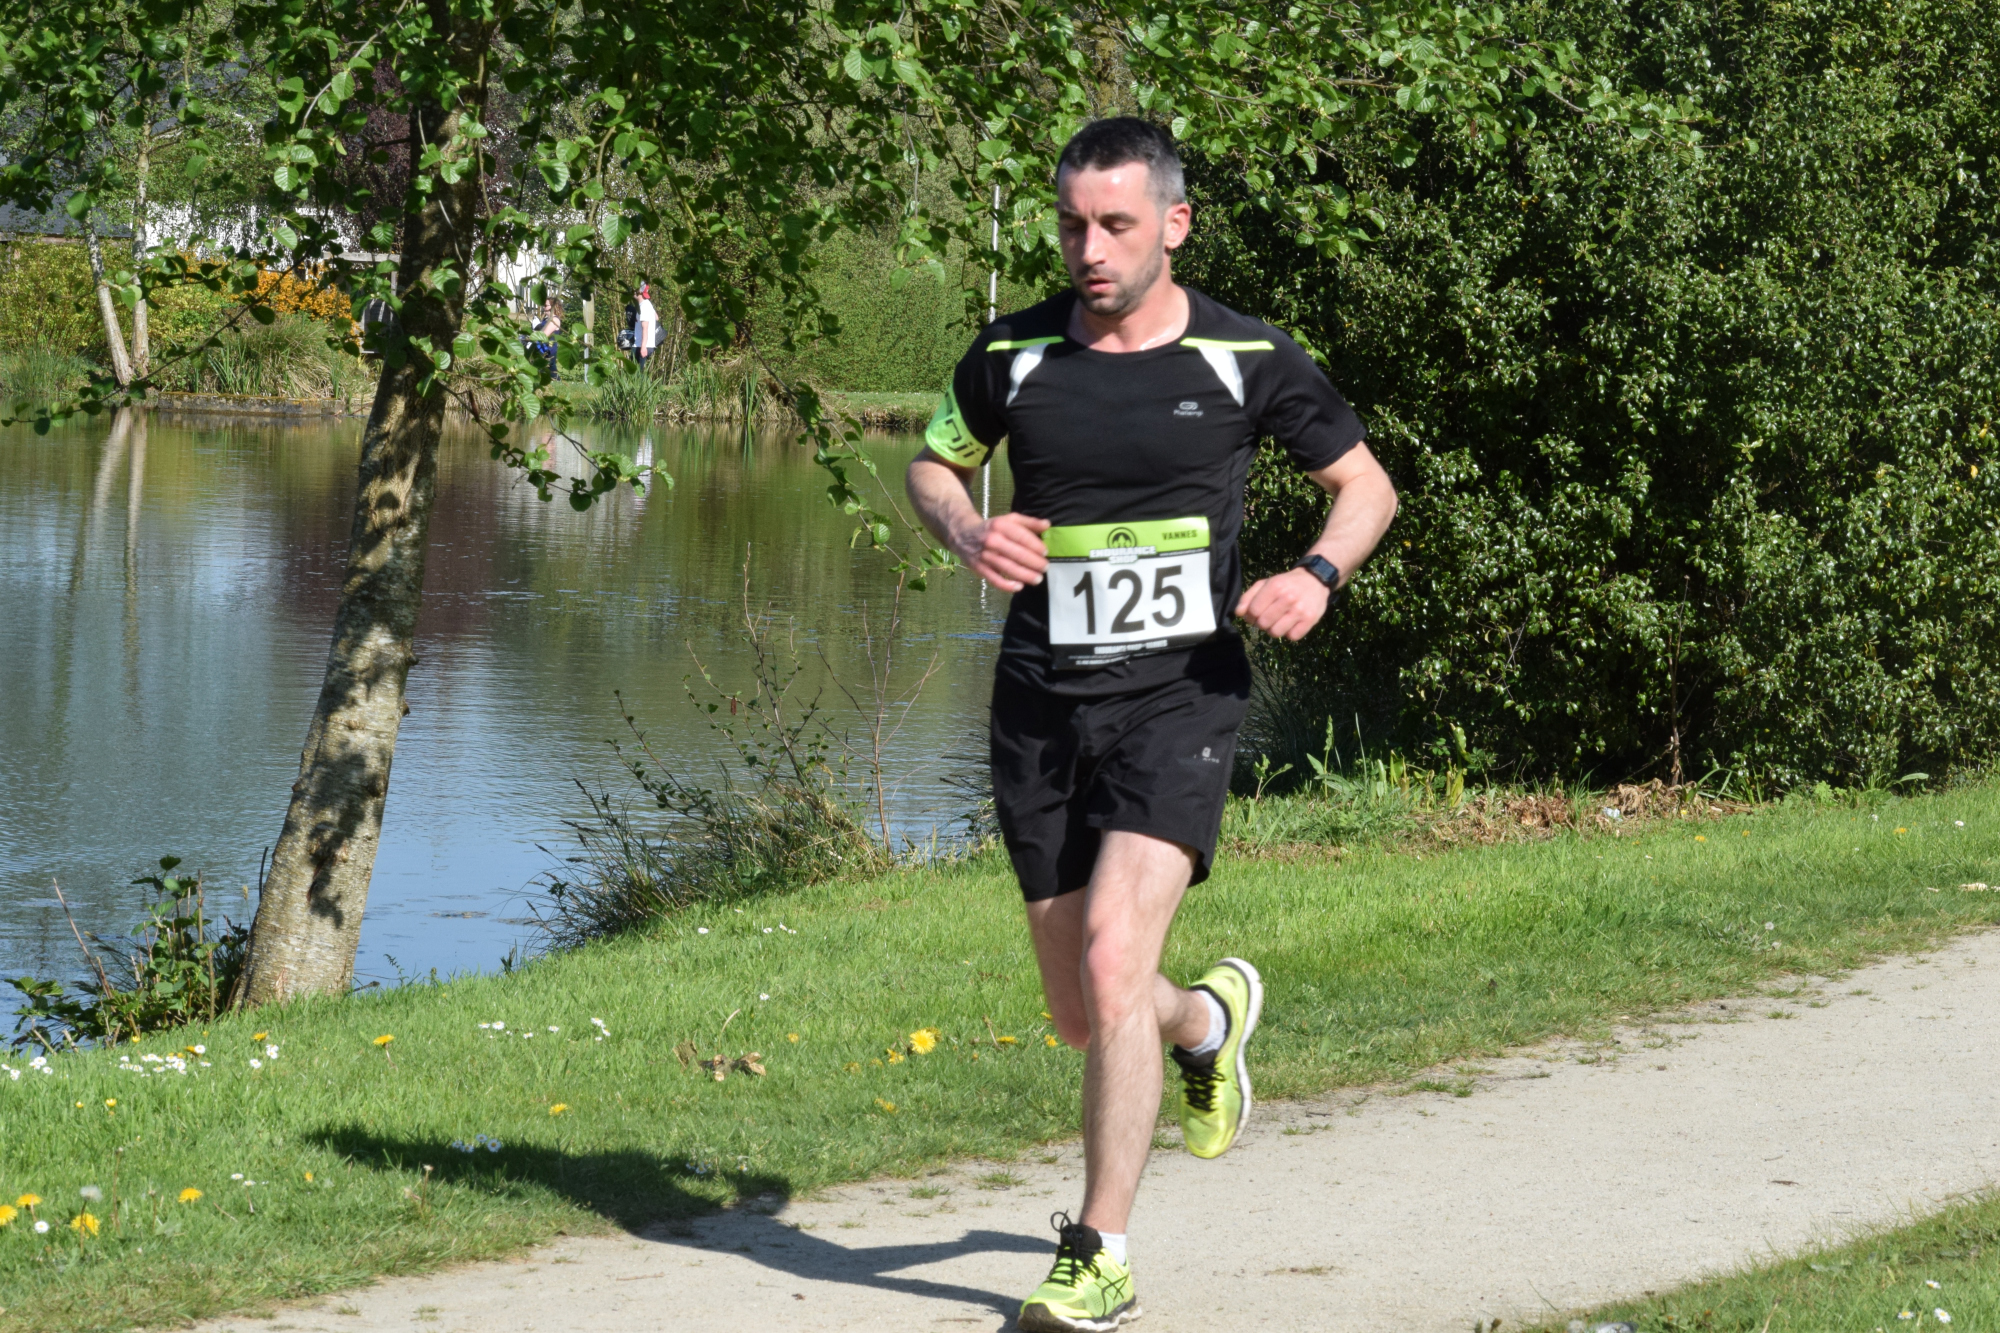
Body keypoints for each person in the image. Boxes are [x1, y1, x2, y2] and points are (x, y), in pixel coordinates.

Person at [905, 118, 1398, 1332]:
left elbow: (1364, 486)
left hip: (1179, 694)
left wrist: (1315, 576)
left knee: (1113, 956)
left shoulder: (1243, 356)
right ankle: (1206, 1021)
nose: (1089, 249)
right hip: (1039, 700)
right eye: (1071, 225)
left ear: (1172, 224)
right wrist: (967, 528)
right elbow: (930, 465)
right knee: (1083, 1010)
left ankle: (1099, 1252)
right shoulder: (1011, 353)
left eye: (1114, 225)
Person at [634, 282, 660, 368]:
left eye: (634, 290)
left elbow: (645, 327)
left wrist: (643, 347)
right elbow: (656, 317)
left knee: (637, 374)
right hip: (647, 345)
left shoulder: (643, 307)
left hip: (641, 346)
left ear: (639, 292)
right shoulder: (647, 303)